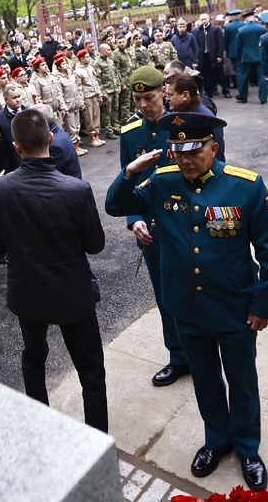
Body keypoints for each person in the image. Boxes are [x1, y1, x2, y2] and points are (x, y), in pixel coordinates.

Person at [106, 111, 268, 491]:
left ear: (213, 147)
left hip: (234, 306)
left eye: (194, 151)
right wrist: (132, 171)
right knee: (204, 377)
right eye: (178, 151)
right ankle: (217, 440)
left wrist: (264, 303)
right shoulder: (163, 181)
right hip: (185, 305)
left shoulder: (246, 186)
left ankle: (247, 448)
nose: (185, 160)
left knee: (242, 379)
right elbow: (116, 206)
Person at [0, 107, 107, 431]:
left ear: (16, 147)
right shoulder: (76, 190)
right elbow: (95, 244)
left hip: (30, 292)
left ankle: (42, 429)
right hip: (72, 291)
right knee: (91, 371)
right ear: (51, 139)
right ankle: (97, 438)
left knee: (34, 357)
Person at [117, 66, 190, 387]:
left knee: (194, 292)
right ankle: (178, 358)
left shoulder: (183, 125)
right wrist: (134, 221)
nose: (144, 104)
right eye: (138, 98)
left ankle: (201, 350)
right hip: (152, 231)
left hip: (186, 225)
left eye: (149, 97)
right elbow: (127, 181)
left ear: (164, 91)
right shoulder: (130, 132)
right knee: (165, 298)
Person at [232, 11, 267, 106]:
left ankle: (243, 96)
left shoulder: (242, 30)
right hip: (259, 56)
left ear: (245, 19)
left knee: (244, 77)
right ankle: (263, 97)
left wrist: (239, 58)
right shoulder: (262, 28)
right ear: (254, 17)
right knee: (262, 77)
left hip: (246, 57)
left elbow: (238, 46)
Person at [94, 43, 121, 138]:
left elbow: (115, 74)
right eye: (108, 50)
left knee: (115, 110)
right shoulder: (97, 63)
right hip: (107, 91)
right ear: (102, 51)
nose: (110, 51)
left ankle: (115, 127)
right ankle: (109, 131)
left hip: (114, 89)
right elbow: (97, 79)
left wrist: (118, 85)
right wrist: (102, 92)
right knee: (107, 112)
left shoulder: (110, 61)